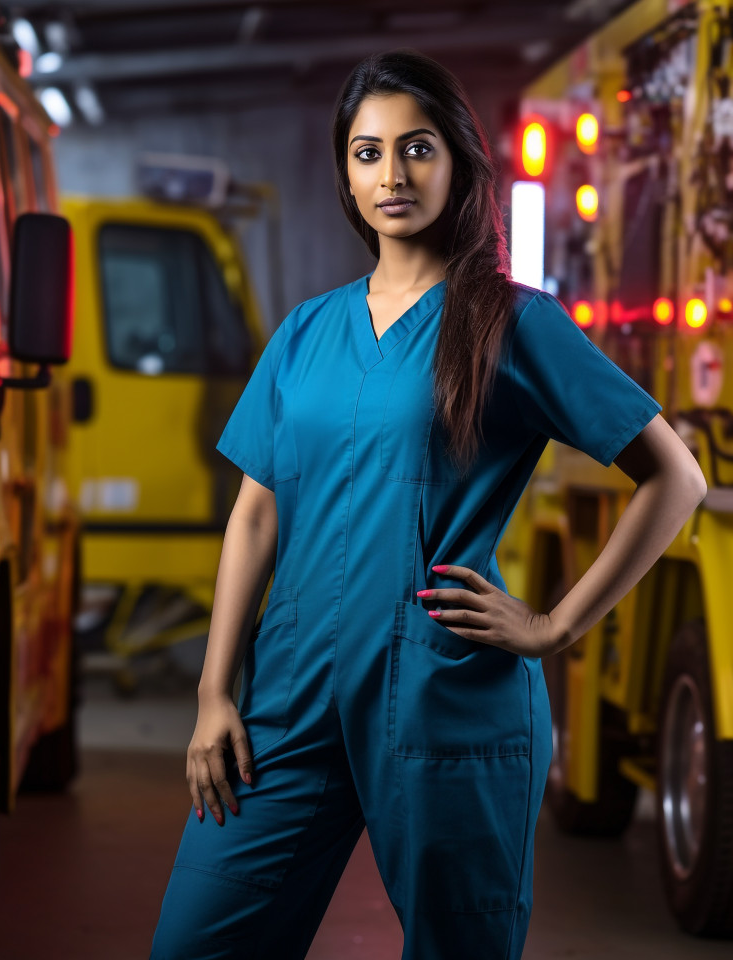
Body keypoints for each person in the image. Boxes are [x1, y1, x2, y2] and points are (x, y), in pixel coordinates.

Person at [149, 49, 706, 960]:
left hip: (441, 697)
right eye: (367, 153)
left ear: (458, 162)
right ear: (346, 174)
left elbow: (674, 476)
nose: (393, 174)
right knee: (195, 943)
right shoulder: (305, 333)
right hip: (290, 695)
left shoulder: (511, 323)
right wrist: (215, 692)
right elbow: (255, 515)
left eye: (417, 148)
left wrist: (555, 627)